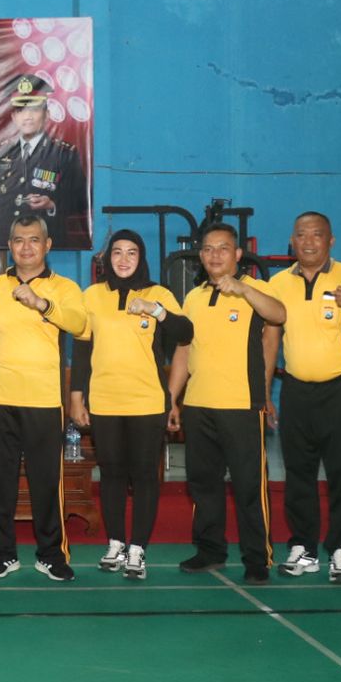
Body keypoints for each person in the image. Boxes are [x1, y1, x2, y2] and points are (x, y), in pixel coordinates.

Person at [0, 215, 88, 582]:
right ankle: (1, 554)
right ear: (10, 246)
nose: (26, 247)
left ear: (47, 245)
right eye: (19, 240)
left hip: (45, 402)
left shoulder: (65, 287)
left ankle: (52, 555)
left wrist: (41, 303)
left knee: (46, 483)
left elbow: (80, 325)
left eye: (34, 240)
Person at [166, 223, 286, 584]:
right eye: (208, 249)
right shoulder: (194, 297)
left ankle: (257, 559)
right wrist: (172, 398)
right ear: (201, 255)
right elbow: (184, 350)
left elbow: (279, 315)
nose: (214, 255)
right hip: (199, 405)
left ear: (237, 254)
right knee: (203, 485)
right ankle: (210, 551)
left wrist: (244, 289)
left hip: (241, 406)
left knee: (249, 486)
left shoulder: (258, 291)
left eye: (223, 248)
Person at [68, 229, 191, 580]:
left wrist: (157, 311)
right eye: (117, 252)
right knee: (111, 474)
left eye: (132, 252)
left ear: (142, 257)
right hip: (104, 401)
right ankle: (116, 543)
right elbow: (82, 349)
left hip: (147, 402)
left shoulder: (159, 294)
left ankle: (138, 549)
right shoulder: (92, 295)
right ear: (107, 259)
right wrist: (77, 396)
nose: (124, 259)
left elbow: (185, 333)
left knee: (145, 476)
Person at [264, 212, 341, 584]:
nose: (309, 241)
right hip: (295, 390)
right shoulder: (279, 282)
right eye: (302, 234)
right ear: (292, 241)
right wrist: (264, 392)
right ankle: (304, 548)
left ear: (331, 241)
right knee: (298, 472)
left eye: (317, 235)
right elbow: (271, 340)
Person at [0, 74, 86, 249]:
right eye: (21, 110)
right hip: (6, 243)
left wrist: (52, 204)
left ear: (47, 115)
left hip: (48, 243)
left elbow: (82, 200)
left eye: (34, 109)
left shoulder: (64, 153)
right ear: (13, 117)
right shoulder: (2, 153)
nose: (28, 116)